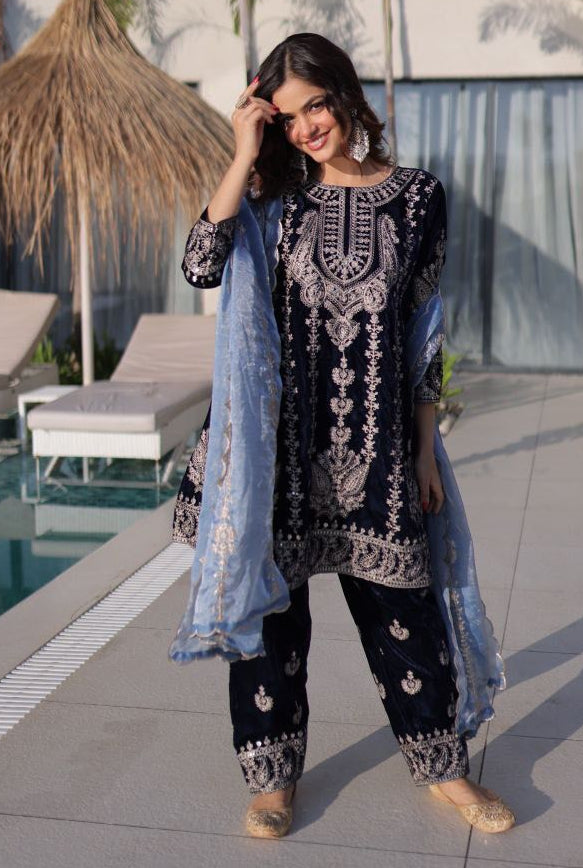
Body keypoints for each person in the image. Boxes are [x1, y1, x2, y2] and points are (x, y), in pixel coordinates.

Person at [170, 33, 513, 839]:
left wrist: (426, 450)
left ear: (344, 95)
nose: (305, 128)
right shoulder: (265, 199)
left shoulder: (419, 196)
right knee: (271, 622)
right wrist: (241, 148)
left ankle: (444, 770)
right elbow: (197, 264)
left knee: (404, 614)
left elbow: (424, 335)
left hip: (380, 451)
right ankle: (271, 780)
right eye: (285, 117)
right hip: (278, 452)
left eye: (313, 106)